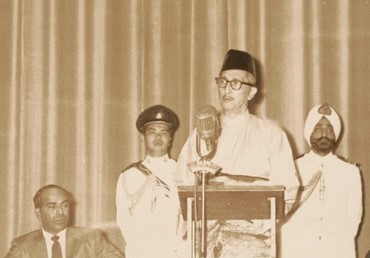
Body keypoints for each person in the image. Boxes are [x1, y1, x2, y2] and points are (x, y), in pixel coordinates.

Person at [175, 49, 300, 257]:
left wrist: (263, 219)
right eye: (222, 82)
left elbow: (288, 188)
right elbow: (181, 181)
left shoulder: (270, 134)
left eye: (236, 83)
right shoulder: (201, 133)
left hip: (252, 241)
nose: (227, 89)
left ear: (251, 92)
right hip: (207, 240)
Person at [280, 103, 363, 258]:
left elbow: (353, 219)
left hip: (337, 250)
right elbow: (284, 216)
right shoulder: (293, 168)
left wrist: (334, 243)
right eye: (318, 128)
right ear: (309, 132)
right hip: (298, 250)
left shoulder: (350, 172)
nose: (324, 134)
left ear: (336, 135)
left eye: (330, 129)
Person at [115, 104, 184, 258]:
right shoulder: (129, 176)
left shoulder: (183, 173)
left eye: (163, 133)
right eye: (152, 132)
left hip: (176, 252)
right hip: (141, 251)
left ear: (170, 138)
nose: (158, 138)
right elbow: (123, 220)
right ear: (143, 137)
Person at [4, 184, 124, 258]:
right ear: (38, 212)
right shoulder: (22, 246)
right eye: (52, 206)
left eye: (64, 205)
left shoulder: (92, 238)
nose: (60, 212)